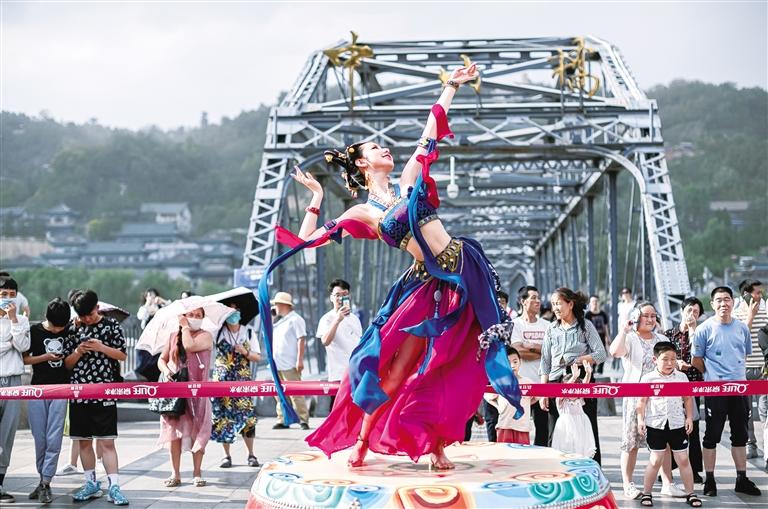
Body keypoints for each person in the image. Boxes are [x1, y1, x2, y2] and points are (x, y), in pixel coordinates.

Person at [263, 63, 523, 470]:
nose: (384, 149)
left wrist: (451, 87)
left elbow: (429, 132)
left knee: (451, 363)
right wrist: (315, 197)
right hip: (426, 283)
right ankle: (362, 440)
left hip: (463, 269)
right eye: (374, 149)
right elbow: (307, 241)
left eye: (383, 146)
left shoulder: (408, 180)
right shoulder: (363, 213)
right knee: (399, 366)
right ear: (362, 164)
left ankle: (436, 445)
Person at [610, 301, 685, 500]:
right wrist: (623, 331)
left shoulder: (661, 339)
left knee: (664, 442)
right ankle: (628, 484)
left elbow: (670, 361)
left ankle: (667, 483)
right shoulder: (630, 338)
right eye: (646, 316)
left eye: (653, 316)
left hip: (661, 399)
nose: (650, 319)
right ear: (636, 317)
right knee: (631, 442)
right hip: (636, 397)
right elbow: (615, 352)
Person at [692, 286, 761, 497]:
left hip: (740, 390)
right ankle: (710, 480)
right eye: (719, 300)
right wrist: (712, 375)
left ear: (733, 302)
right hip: (715, 391)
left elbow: (743, 355)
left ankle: (742, 478)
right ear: (713, 304)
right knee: (712, 435)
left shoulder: (742, 328)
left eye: (727, 299)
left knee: (740, 435)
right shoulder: (704, 329)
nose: (724, 304)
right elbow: (696, 360)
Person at [63, 289, 129, 505]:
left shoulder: (111, 325)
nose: (87, 319)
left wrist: (101, 347)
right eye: (82, 316)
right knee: (83, 441)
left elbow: (122, 355)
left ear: (97, 308)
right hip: (79, 391)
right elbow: (66, 364)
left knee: (107, 441)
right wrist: (78, 352)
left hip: (104, 391)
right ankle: (90, 483)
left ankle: (114, 486)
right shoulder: (73, 328)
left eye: (90, 314)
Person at [539, 287, 606, 464]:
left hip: (582, 381)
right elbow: (545, 362)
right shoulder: (551, 329)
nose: (555, 308)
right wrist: (543, 391)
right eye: (553, 304)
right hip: (555, 383)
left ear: (570, 304)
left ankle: (592, 469)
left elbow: (601, 354)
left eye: (559, 303)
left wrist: (575, 360)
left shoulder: (585, 326)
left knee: (587, 429)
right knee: (555, 430)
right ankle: (555, 469)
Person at [636, 342, 702, 508]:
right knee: (655, 460)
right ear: (655, 359)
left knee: (683, 459)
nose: (670, 363)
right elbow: (642, 402)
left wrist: (689, 418)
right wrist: (640, 420)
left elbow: (687, 398)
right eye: (665, 359)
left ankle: (691, 493)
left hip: (677, 423)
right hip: (655, 424)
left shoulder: (681, 377)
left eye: (673, 359)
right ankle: (647, 493)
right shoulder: (648, 378)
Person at [157, 307, 213, 487]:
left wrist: (185, 327)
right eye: (191, 315)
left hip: (198, 394)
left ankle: (197, 473)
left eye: (198, 316)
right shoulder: (173, 336)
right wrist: (166, 371)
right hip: (176, 392)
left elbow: (190, 346)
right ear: (183, 316)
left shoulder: (206, 336)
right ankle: (175, 473)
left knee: (199, 430)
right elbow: (162, 359)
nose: (195, 318)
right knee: (173, 432)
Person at [23, 298, 72, 504]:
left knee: (54, 437)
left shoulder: (69, 330)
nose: (57, 331)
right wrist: (45, 357)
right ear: (46, 318)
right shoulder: (34, 331)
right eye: (54, 326)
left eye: (61, 327)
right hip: (37, 390)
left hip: (61, 390)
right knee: (39, 437)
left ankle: (46, 481)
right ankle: (42, 478)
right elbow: (25, 359)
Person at [211, 303, 262, 467]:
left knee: (247, 417)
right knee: (223, 418)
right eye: (230, 310)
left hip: (242, 382)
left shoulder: (248, 332)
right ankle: (226, 455)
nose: (233, 313)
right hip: (221, 381)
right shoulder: (218, 332)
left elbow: (257, 357)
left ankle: (251, 454)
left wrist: (245, 352)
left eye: (236, 310)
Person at [663, 296, 705, 483]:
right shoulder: (669, 334)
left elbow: (703, 357)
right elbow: (661, 357)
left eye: (696, 312)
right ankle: (668, 468)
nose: (692, 314)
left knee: (692, 427)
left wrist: (694, 330)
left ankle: (694, 469)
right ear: (681, 311)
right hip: (671, 385)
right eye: (689, 310)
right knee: (669, 426)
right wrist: (676, 364)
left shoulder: (701, 334)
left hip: (692, 385)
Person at [0, 277, 31, 503]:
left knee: (7, 434)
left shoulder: (21, 319)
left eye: (12, 295)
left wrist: (13, 320)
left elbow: (23, 346)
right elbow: (10, 346)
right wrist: (8, 343)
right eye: (3, 295)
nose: (8, 299)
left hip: (13, 381)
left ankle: (0, 483)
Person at [509, 285, 550, 446]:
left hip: (542, 384)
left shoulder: (547, 325)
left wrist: (529, 345)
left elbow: (551, 352)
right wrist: (542, 351)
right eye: (533, 298)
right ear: (523, 301)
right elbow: (517, 352)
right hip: (521, 385)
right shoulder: (515, 325)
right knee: (520, 427)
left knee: (543, 428)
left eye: (538, 298)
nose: (538, 301)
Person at [732, 279, 767, 460]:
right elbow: (740, 338)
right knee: (746, 411)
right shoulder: (735, 314)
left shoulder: (766, 313)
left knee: (764, 410)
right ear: (746, 295)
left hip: (763, 369)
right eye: (757, 293)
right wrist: (750, 317)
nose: (761, 296)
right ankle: (750, 445)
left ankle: (766, 448)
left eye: (762, 293)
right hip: (743, 370)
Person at [317, 279, 362, 408]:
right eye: (337, 295)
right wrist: (337, 320)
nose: (341, 298)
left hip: (355, 373)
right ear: (331, 298)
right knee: (336, 411)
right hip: (338, 374)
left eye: (344, 294)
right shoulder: (327, 319)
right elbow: (325, 341)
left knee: (355, 412)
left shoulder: (355, 319)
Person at [269, 292, 310, 430]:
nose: (275, 307)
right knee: (279, 394)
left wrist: (300, 360)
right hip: (277, 363)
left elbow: (301, 339)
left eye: (276, 304)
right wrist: (272, 318)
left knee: (295, 392)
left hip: (290, 363)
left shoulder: (296, 319)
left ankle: (303, 419)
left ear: (283, 305)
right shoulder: (279, 321)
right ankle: (282, 419)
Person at [484, 346, 537, 444]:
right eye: (508, 362)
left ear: (520, 362)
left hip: (522, 427)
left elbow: (536, 397)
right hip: (504, 426)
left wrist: (526, 404)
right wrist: (498, 407)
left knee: (523, 452)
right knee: (504, 452)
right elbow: (487, 396)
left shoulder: (528, 382)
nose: (512, 366)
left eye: (515, 362)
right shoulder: (499, 382)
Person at [481, 290, 513, 442]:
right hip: (486, 374)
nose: (499, 305)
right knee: (491, 417)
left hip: (504, 373)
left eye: (503, 303)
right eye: (496, 302)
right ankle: (492, 445)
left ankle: (505, 447)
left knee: (506, 414)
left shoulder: (508, 323)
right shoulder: (482, 320)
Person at [550, 360, 596, 458]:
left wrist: (588, 373)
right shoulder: (561, 400)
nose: (573, 391)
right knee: (566, 449)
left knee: (580, 448)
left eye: (576, 388)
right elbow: (564, 390)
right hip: (566, 428)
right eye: (570, 388)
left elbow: (584, 385)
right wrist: (574, 377)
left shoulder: (579, 399)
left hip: (580, 426)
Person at [585, 295, 610, 373]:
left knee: (603, 353)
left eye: (596, 301)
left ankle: (600, 370)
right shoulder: (587, 315)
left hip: (601, 337)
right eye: (593, 301)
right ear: (590, 303)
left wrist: (608, 337)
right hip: (591, 338)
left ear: (599, 302)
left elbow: (605, 327)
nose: (595, 303)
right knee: (593, 354)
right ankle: (593, 369)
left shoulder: (603, 314)